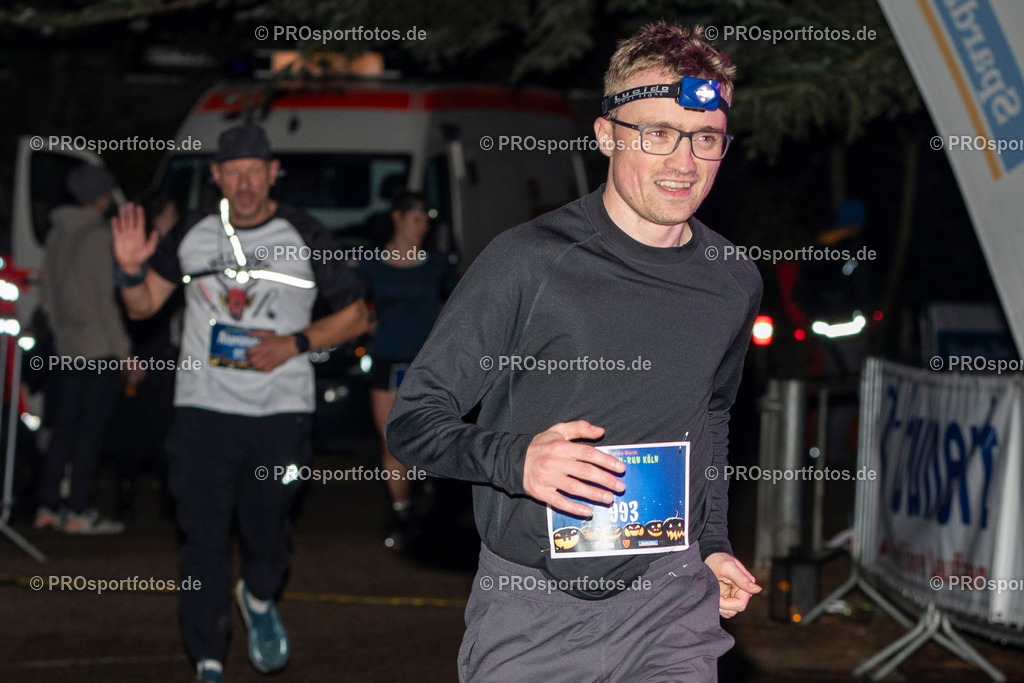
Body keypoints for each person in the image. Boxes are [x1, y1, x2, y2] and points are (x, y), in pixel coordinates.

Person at [385, 22, 762, 681]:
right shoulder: (528, 263)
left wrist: (712, 543)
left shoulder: (733, 279)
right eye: (657, 134)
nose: (685, 162)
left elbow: (713, 414)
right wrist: (517, 460)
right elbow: (413, 422)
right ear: (607, 135)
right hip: (534, 610)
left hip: (670, 605)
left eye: (705, 138)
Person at [111, 123, 368, 683]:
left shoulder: (304, 232)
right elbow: (142, 307)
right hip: (202, 411)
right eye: (234, 173)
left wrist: (292, 344)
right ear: (217, 177)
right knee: (202, 538)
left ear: (273, 173)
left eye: (255, 172)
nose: (245, 184)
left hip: (279, 411)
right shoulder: (192, 231)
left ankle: (258, 595)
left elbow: (356, 316)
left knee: (267, 529)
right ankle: (207, 659)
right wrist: (128, 270)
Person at [355, 190, 458, 550]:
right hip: (386, 361)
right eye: (415, 219)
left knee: (430, 434)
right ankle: (402, 514)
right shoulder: (372, 265)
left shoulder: (436, 264)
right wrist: (363, 323)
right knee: (391, 439)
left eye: (425, 221)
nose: (421, 227)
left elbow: (461, 304)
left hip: (426, 365)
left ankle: (431, 497)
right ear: (397, 218)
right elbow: (349, 305)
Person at [35, 164, 128, 535]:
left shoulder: (57, 232)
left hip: (66, 347)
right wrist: (125, 353)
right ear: (101, 196)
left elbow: (46, 294)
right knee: (90, 431)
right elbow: (106, 301)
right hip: (97, 348)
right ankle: (77, 509)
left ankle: (47, 505)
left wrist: (61, 329)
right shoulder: (99, 236)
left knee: (64, 427)